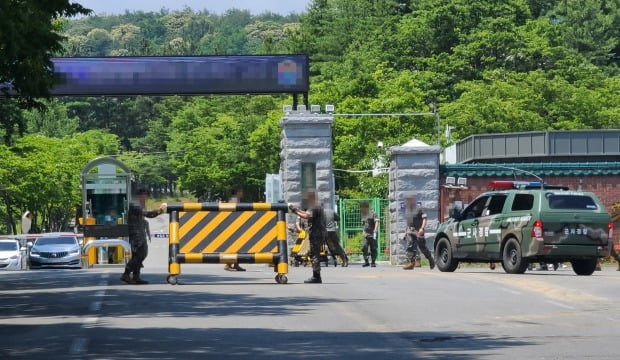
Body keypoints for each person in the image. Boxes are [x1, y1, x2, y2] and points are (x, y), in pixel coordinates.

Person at [121, 187, 166, 285]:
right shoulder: (135, 204)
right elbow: (147, 214)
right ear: (141, 195)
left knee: (141, 254)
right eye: (146, 195)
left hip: (140, 232)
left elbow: (147, 215)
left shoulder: (140, 204)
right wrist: (160, 210)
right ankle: (126, 274)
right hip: (136, 233)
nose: (147, 198)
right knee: (139, 254)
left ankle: (136, 276)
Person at [289, 192, 327, 283]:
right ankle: (316, 275)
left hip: (316, 233)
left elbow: (306, 215)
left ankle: (316, 276)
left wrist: (294, 210)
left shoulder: (314, 206)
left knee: (315, 255)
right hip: (319, 233)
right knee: (314, 254)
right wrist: (297, 209)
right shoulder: (317, 205)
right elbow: (306, 213)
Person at [403, 197, 435, 270]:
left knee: (422, 247)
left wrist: (422, 228)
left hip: (418, 231)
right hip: (410, 231)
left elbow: (424, 219)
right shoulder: (408, 210)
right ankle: (411, 263)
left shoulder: (420, 209)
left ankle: (430, 259)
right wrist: (406, 232)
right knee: (410, 246)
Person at [224, 184, 246, 272]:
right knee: (233, 246)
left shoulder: (236, 200)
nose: (242, 193)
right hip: (232, 226)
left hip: (236, 225)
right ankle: (227, 264)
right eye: (241, 191)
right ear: (238, 192)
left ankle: (236, 264)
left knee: (238, 245)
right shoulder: (233, 201)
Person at [360, 202, 379, 267]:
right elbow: (363, 225)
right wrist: (363, 231)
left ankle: (373, 262)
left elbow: (376, 221)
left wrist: (375, 229)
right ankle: (366, 261)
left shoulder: (373, 213)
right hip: (365, 234)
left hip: (373, 233)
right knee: (364, 247)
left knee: (373, 248)